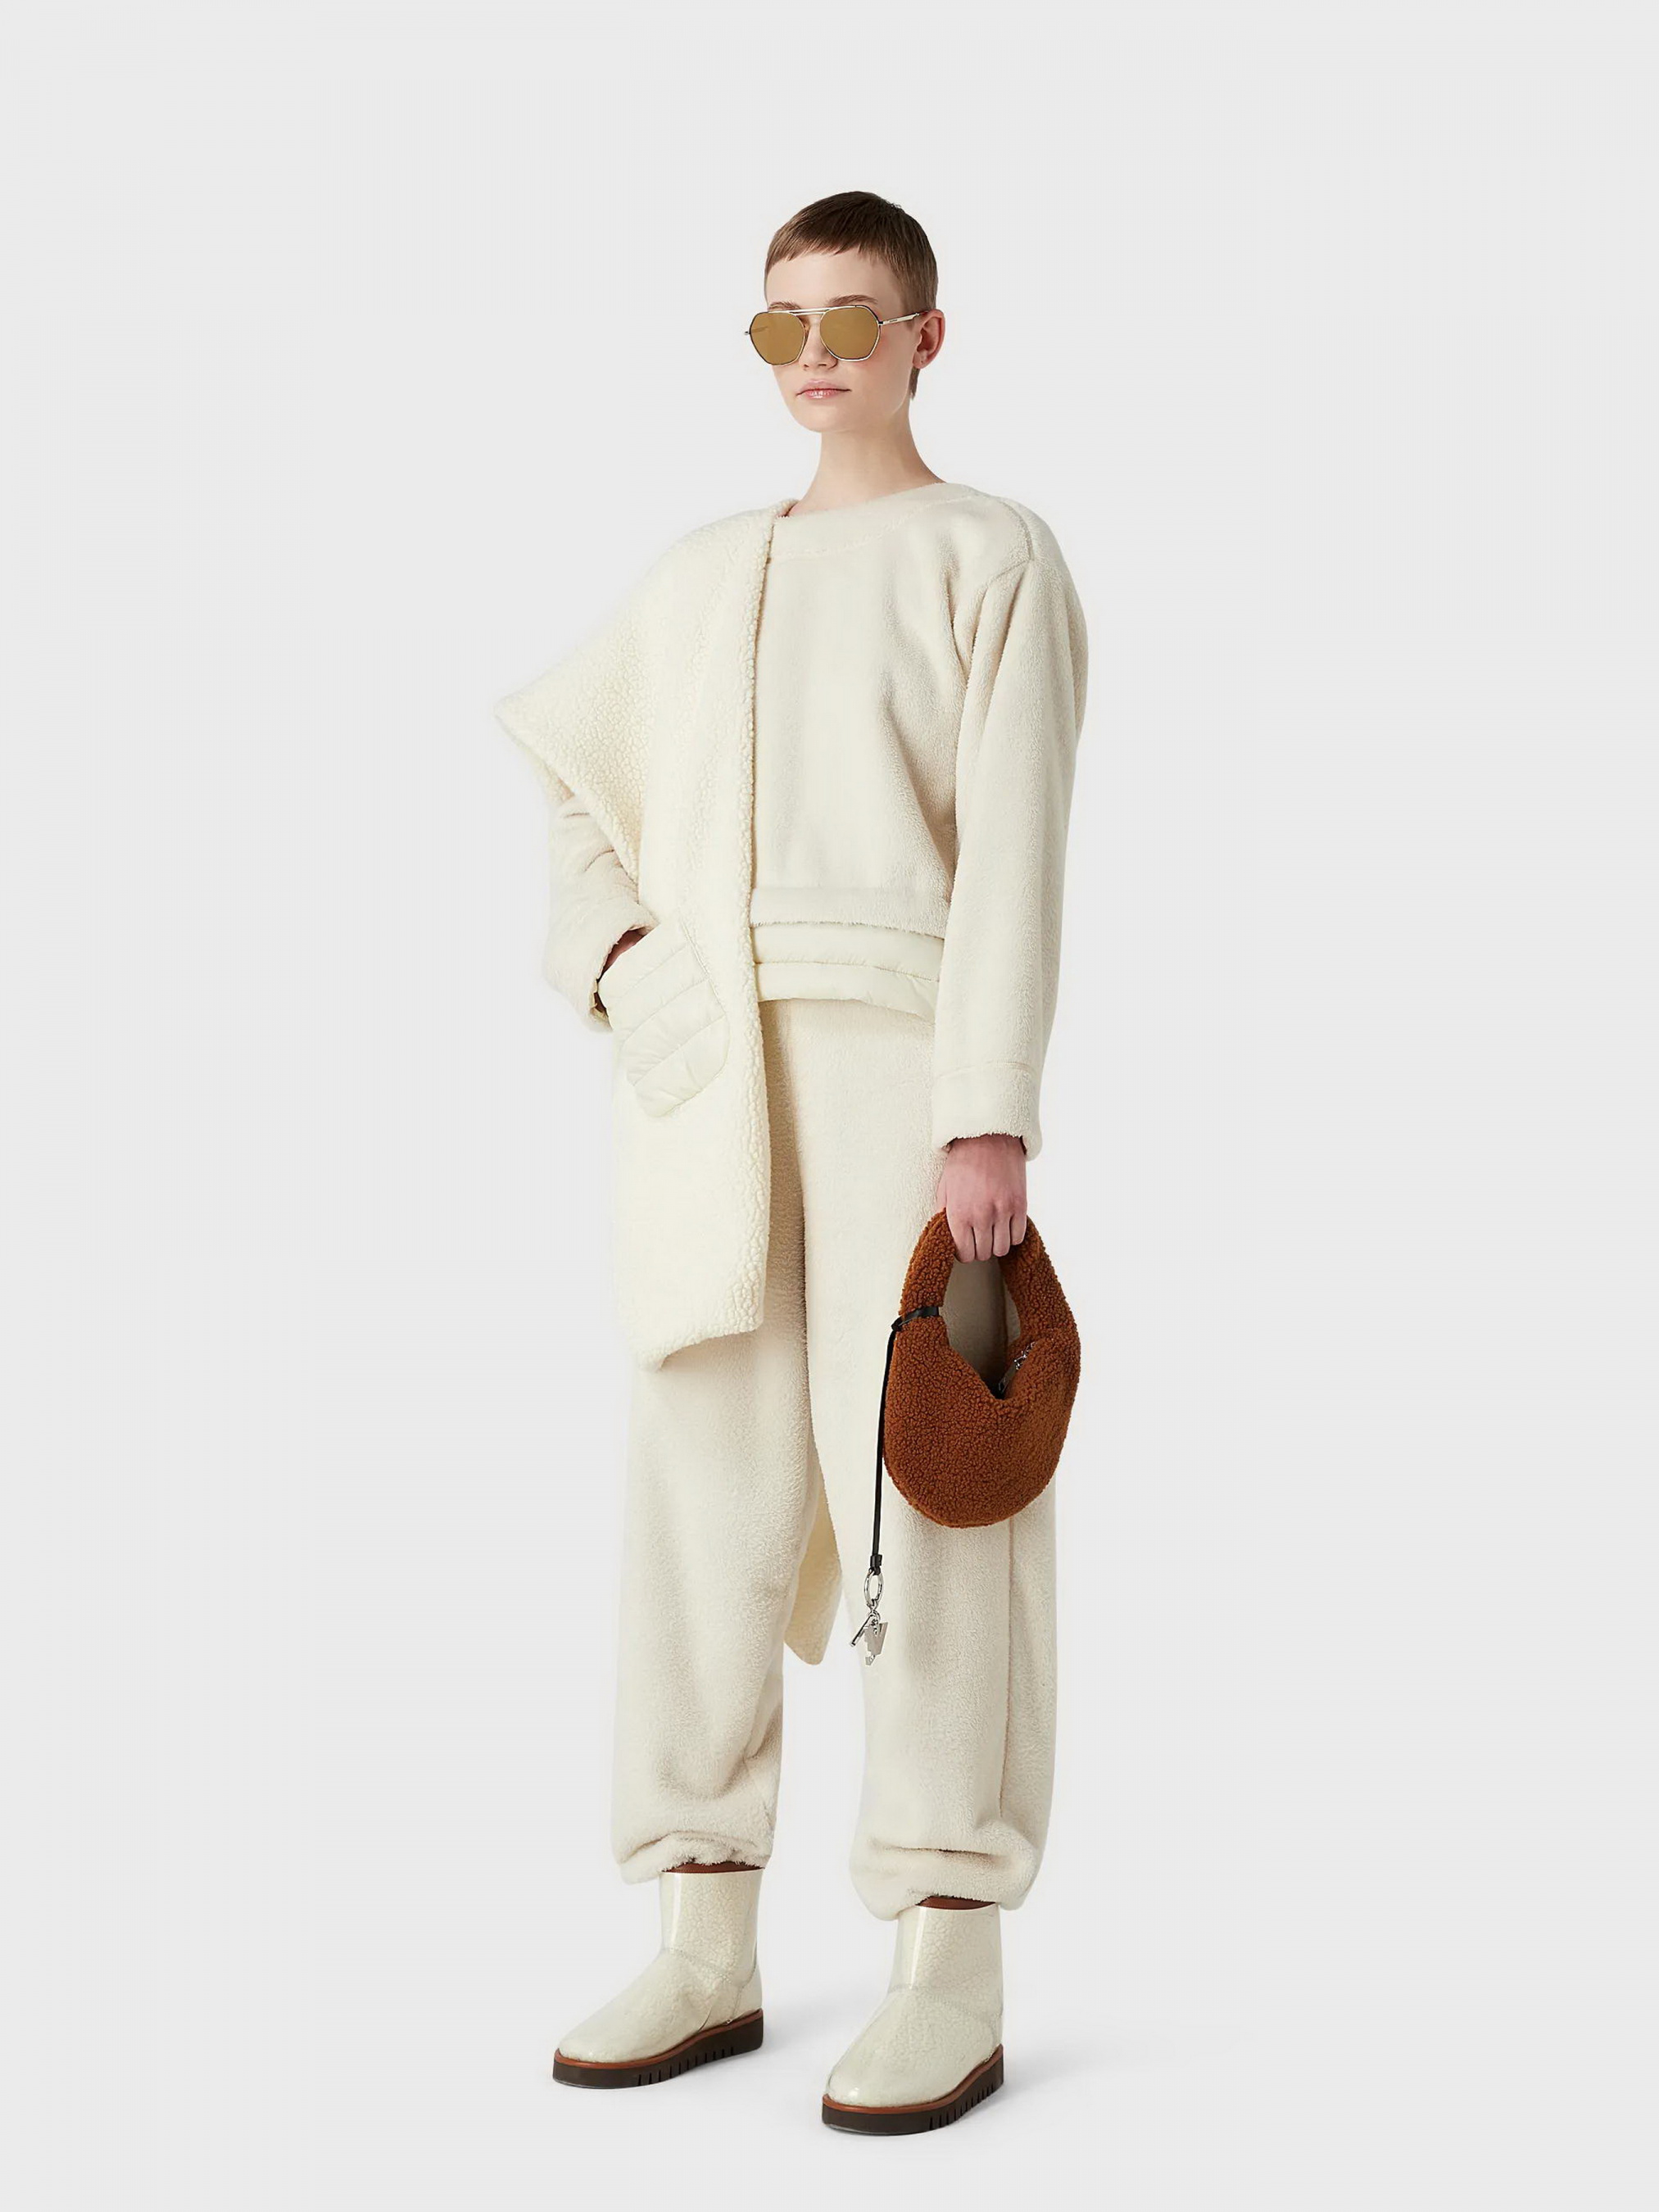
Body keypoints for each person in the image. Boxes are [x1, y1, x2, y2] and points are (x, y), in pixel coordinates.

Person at [495, 189, 1088, 2134]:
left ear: (926, 336)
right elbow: (571, 784)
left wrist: (983, 1107)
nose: (812, 355)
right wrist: (621, 962)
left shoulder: (988, 553)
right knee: (698, 1484)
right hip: (704, 1080)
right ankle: (700, 1932)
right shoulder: (693, 575)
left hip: (898, 1063)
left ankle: (945, 1948)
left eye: (849, 319)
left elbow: (1014, 840)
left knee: (932, 1478)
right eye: (778, 326)